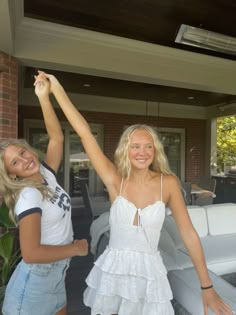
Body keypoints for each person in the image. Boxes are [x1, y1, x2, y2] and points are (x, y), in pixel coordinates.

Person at [42, 72, 233, 315]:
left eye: (147, 146)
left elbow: (190, 235)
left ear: (155, 150)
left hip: (150, 274)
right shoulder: (115, 180)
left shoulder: (169, 183)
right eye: (135, 146)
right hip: (113, 271)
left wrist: (207, 287)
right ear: (126, 150)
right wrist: (56, 89)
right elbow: (84, 133)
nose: (141, 152)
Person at [0, 72, 88, 315]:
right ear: (12, 175)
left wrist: (43, 96)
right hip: (35, 282)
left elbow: (57, 138)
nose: (25, 161)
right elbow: (31, 253)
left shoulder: (46, 174)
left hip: (56, 275)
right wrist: (76, 249)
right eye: (15, 163)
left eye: (23, 153)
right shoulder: (29, 195)